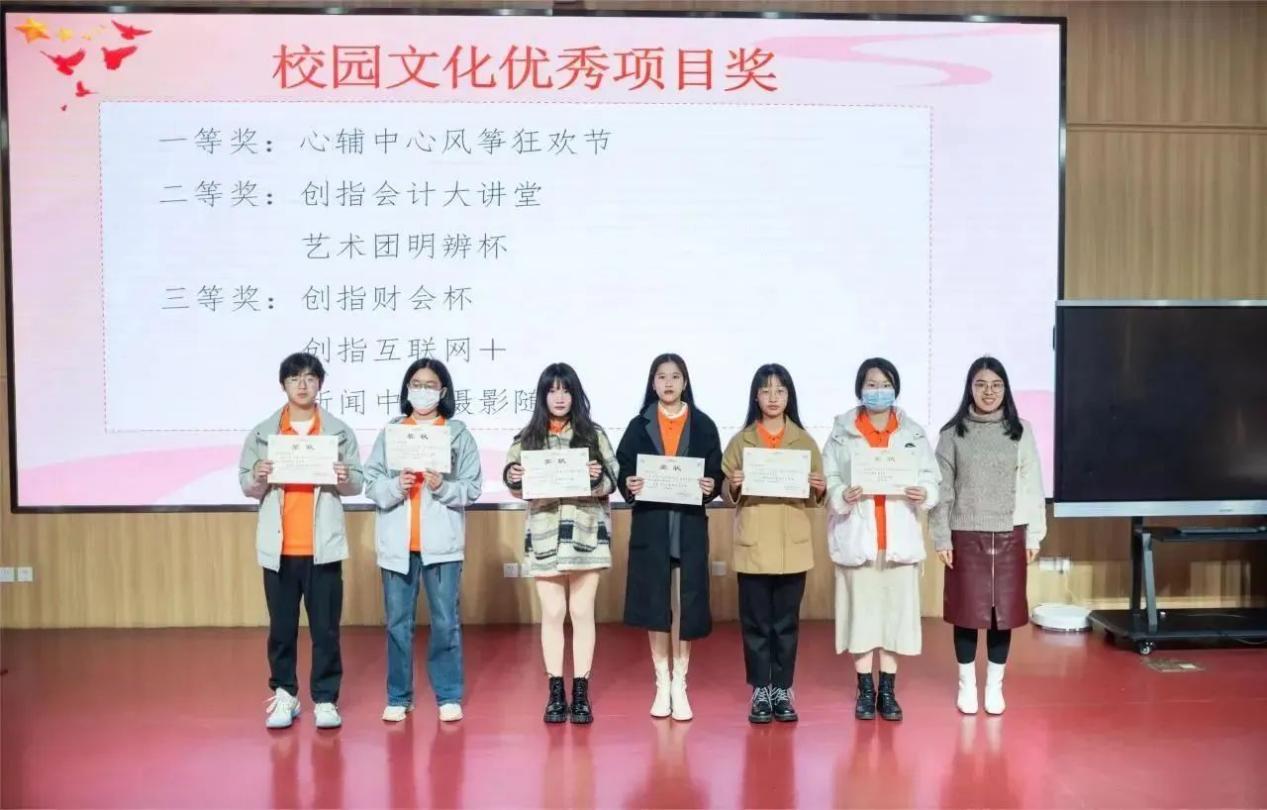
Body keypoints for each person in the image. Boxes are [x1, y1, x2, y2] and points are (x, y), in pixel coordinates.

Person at [238, 352, 363, 730]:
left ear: (320, 383)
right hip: (279, 549)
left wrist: (344, 477)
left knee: (326, 629)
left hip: (322, 547)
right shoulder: (264, 433)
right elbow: (246, 485)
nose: (303, 385)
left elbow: (357, 484)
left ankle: (325, 699)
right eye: (295, 379)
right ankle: (285, 695)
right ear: (284, 385)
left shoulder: (338, 431)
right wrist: (258, 476)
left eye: (309, 378)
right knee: (281, 629)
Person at [364, 358, 482, 723]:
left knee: (445, 621)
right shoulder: (392, 432)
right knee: (397, 624)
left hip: (442, 545)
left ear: (443, 391)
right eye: (416, 384)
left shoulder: (457, 434)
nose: (423, 391)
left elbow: (472, 487)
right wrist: (394, 486)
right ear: (407, 389)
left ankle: (448, 694)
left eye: (431, 385)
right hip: (397, 545)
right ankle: (399, 696)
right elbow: (371, 483)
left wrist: (442, 487)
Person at [823, 357, 940, 722]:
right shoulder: (842, 432)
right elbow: (828, 478)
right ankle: (864, 690)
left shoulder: (913, 433)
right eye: (871, 384)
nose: (878, 391)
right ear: (860, 388)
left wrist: (925, 492)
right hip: (858, 537)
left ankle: (887, 690)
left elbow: (931, 477)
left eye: (885, 384)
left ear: (896, 388)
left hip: (898, 539)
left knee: (895, 618)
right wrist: (842, 493)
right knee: (862, 617)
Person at [504, 363, 619, 724]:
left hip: (586, 534)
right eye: (552, 390)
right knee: (553, 613)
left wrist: (597, 477)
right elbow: (513, 482)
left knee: (582, 612)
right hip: (544, 536)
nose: (559, 397)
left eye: (565, 390)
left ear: (575, 394)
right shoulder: (527, 437)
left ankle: (581, 691)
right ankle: (556, 691)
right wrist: (515, 476)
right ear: (542, 396)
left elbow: (613, 479)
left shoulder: (593, 434)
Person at [932, 356, 1047, 715]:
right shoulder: (953, 433)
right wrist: (941, 537)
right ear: (970, 388)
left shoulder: (1021, 430)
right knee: (967, 614)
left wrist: (1034, 534)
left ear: (1005, 390)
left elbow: (1032, 483)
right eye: (981, 384)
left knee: (1003, 616)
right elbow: (942, 490)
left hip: (1011, 533)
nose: (988, 392)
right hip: (966, 534)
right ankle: (966, 685)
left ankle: (994, 687)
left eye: (996, 385)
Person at [616, 353, 723, 721]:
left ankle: (681, 683)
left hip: (688, 524)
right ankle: (662, 682)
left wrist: (711, 486)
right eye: (661, 377)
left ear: (685, 382)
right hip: (653, 524)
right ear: (653, 383)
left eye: (675, 376)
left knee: (686, 604)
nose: (668, 383)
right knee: (656, 604)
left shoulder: (704, 425)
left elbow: (716, 474)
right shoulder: (638, 425)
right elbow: (623, 468)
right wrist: (628, 483)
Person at [721, 363, 826, 724]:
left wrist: (819, 488)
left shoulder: (804, 441)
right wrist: (733, 484)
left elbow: (816, 496)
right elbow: (725, 492)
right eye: (766, 390)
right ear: (756, 396)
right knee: (755, 624)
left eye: (780, 390)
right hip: (753, 545)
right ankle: (760, 689)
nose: (773, 397)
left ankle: (782, 688)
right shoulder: (741, 441)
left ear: (789, 396)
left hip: (791, 547)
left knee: (786, 624)